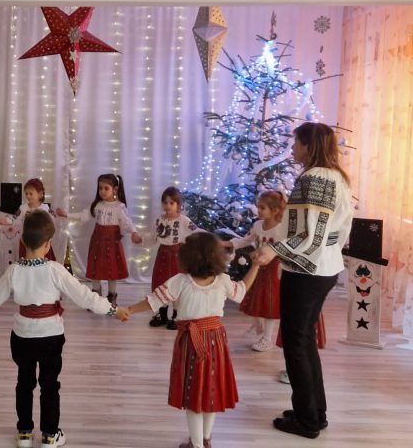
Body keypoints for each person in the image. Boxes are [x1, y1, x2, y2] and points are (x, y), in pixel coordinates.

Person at [0, 210, 128, 447]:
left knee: (24, 384)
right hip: (50, 337)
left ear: (23, 240)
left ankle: (24, 433)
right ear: (48, 244)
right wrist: (112, 310)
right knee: (50, 385)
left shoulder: (14, 270)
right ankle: (49, 435)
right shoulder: (55, 269)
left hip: (22, 337)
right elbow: (85, 297)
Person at [252, 122, 353, 439]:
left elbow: (312, 235)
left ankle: (307, 421)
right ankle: (313, 413)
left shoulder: (315, 178)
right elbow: (337, 232)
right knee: (304, 342)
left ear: (309, 146)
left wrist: (273, 251)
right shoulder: (336, 177)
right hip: (323, 267)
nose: (293, 148)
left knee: (296, 344)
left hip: (307, 272)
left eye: (297, 143)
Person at [126, 232, 259, 448]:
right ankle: (205, 440)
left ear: (187, 257)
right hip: (216, 342)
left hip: (191, 343)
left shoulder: (180, 281)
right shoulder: (222, 280)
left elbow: (153, 301)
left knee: (193, 396)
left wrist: (129, 310)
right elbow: (241, 291)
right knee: (210, 392)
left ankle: (197, 445)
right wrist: (256, 266)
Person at [55, 174, 142, 305]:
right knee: (95, 267)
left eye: (106, 188)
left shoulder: (119, 207)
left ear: (115, 189)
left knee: (112, 268)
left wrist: (134, 232)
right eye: (100, 188)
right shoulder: (97, 205)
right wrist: (66, 214)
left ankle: (112, 296)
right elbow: (83, 216)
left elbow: (127, 222)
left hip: (112, 242)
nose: (102, 191)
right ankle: (96, 295)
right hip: (98, 241)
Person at [228, 190, 286, 352]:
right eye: (258, 206)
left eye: (263, 208)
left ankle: (267, 338)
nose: (258, 210)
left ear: (275, 210)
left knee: (270, 303)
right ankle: (257, 325)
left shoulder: (281, 229)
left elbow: (285, 249)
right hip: (258, 268)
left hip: (273, 270)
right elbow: (247, 239)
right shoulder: (258, 225)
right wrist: (231, 244)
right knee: (253, 297)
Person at [144, 186, 201, 330]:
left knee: (176, 285)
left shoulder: (184, 220)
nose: (168, 206)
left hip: (177, 257)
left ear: (178, 205)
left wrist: (211, 239)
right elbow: (153, 236)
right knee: (161, 284)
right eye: (165, 202)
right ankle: (162, 314)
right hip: (163, 255)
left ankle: (176, 315)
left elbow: (197, 231)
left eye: (171, 203)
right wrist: (141, 239)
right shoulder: (159, 219)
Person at [9, 178, 57, 262]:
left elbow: (52, 222)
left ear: (40, 194)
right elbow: (15, 219)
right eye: (26, 193)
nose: (28, 196)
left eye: (31, 194)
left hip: (42, 242)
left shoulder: (45, 208)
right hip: (26, 243)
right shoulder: (23, 208)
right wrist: (7, 222)